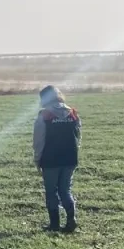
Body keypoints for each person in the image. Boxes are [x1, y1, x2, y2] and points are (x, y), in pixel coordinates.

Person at [33, 85, 81, 233]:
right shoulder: (73, 113)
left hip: (50, 159)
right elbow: (78, 136)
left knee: (51, 191)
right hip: (70, 158)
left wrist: (37, 159)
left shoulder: (44, 116)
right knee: (65, 190)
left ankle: (54, 224)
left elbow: (38, 140)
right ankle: (71, 220)